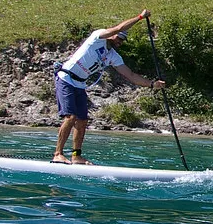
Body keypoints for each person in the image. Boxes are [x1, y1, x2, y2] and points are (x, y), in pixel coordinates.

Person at [52, 10, 165, 164]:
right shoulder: (97, 37)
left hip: (79, 84)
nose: (120, 42)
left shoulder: (113, 56)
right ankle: (58, 153)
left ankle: (76, 156)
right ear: (112, 35)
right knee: (70, 117)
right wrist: (139, 17)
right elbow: (119, 28)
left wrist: (152, 84)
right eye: (119, 38)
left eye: (123, 41)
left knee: (83, 120)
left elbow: (131, 75)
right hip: (66, 79)